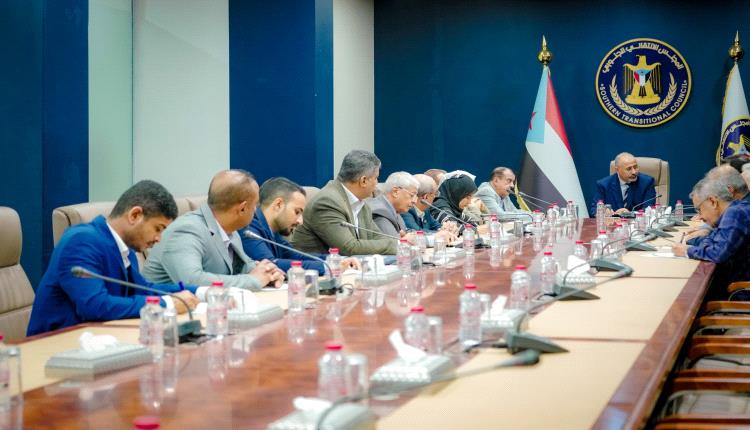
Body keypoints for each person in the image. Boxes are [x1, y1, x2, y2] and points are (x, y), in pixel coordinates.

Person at [27, 180, 200, 336]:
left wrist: (199, 291)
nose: (158, 238)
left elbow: (142, 289)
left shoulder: (125, 249)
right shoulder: (81, 241)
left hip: (99, 341)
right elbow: (95, 306)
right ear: (135, 215)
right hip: (55, 346)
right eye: (158, 228)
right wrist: (166, 304)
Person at [142, 170, 285, 291]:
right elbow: (192, 280)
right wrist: (253, 281)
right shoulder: (186, 230)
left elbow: (243, 266)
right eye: (254, 206)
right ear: (242, 208)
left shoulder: (231, 231)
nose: (255, 212)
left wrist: (268, 272)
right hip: (160, 311)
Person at [242, 177, 360, 275]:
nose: (300, 221)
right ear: (278, 205)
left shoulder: (272, 231)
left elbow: (296, 256)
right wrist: (330, 267)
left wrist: (339, 260)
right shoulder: (248, 227)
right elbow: (270, 265)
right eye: (297, 212)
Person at [291, 150, 398, 255]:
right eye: (376, 178)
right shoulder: (327, 202)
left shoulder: (362, 205)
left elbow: (379, 238)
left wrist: (396, 243)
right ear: (363, 181)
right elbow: (349, 248)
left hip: (351, 264)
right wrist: (397, 245)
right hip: (316, 264)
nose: (377, 183)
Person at [672, 177, 750, 288]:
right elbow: (710, 242)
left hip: (738, 292)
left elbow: (717, 253)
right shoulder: (735, 209)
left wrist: (687, 251)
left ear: (712, 201)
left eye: (699, 209)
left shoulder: (735, 213)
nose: (700, 217)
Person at [685, 165, 750, 245]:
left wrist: (697, 240)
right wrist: (707, 228)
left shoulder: (738, 212)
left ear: (729, 190)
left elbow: (720, 245)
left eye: (712, 189)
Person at [589, 152, 656, 216]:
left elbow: (649, 209)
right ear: (617, 170)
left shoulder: (647, 182)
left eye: (635, 167)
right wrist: (603, 212)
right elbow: (594, 210)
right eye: (629, 169)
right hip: (613, 223)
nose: (634, 172)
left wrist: (629, 214)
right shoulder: (604, 185)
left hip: (637, 223)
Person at [367, 172, 420, 238]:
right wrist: (405, 239)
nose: (415, 201)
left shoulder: (394, 210)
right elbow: (392, 242)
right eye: (412, 195)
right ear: (395, 192)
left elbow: (405, 232)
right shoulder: (380, 213)